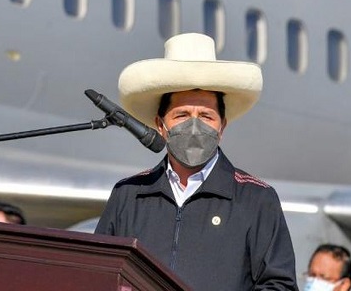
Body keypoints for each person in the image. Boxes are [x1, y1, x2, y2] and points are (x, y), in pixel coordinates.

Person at [95, 33, 297, 291]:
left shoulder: (256, 199)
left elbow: (280, 285)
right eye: (181, 115)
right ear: (160, 125)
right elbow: (98, 275)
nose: (194, 126)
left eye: (206, 116)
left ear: (222, 127)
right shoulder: (129, 194)